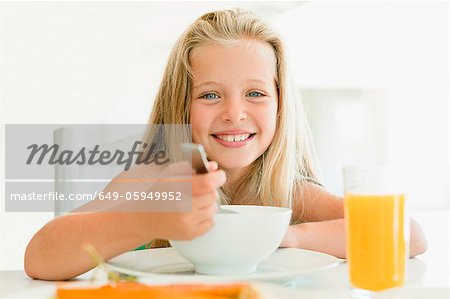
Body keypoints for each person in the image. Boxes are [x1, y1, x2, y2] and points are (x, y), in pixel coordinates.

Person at [24, 8, 427, 281]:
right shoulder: (150, 183)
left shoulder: (288, 192)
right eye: (211, 95)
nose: (234, 113)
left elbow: (408, 235)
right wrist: (148, 220)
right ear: (181, 106)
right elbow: (39, 257)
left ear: (280, 105)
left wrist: (284, 235)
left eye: (255, 94)